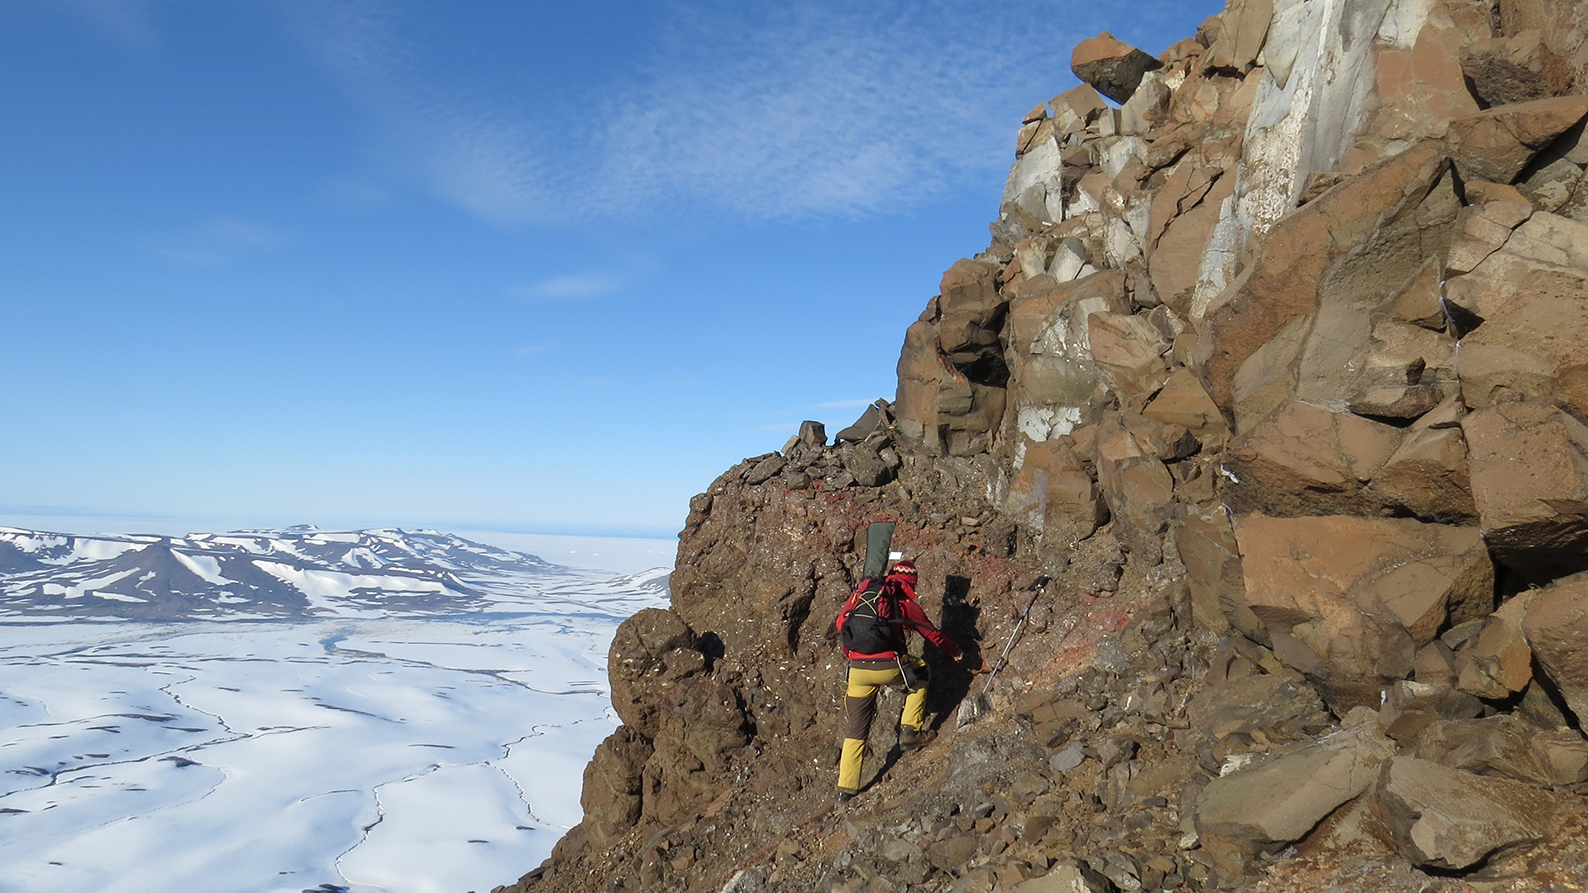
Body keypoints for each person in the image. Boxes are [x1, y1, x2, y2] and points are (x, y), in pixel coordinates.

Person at [833, 559, 975, 803]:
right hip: (888, 666)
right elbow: (933, 635)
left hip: (856, 669)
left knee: (856, 728)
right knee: (920, 673)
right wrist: (957, 653)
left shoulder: (861, 597)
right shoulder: (903, 603)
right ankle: (910, 730)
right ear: (910, 581)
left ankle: (845, 790)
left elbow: (840, 624)